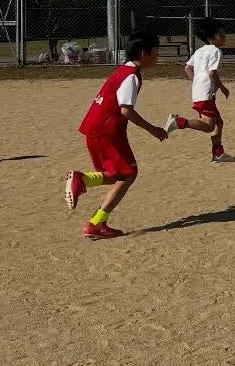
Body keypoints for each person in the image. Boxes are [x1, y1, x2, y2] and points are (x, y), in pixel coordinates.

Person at [63, 31, 168, 239]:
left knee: (117, 175)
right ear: (143, 53)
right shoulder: (131, 76)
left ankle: (83, 181)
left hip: (96, 127)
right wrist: (153, 129)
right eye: (155, 52)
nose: (157, 56)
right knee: (129, 174)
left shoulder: (124, 71)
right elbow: (125, 110)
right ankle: (96, 221)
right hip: (107, 130)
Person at [164, 17, 233, 162]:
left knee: (218, 122)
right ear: (211, 38)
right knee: (209, 126)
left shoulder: (200, 51)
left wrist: (196, 82)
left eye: (223, 33)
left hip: (198, 92)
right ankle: (179, 122)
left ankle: (218, 154)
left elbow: (187, 68)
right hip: (205, 94)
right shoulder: (216, 51)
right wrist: (223, 88)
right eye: (220, 35)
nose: (224, 37)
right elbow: (212, 73)